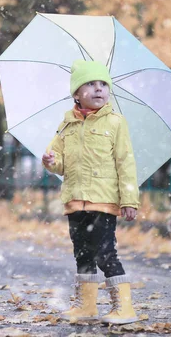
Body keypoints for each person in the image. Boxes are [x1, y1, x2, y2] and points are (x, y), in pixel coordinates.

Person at [41, 59, 140, 325]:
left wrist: (129, 199)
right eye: (91, 84)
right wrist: (51, 162)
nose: (99, 89)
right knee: (82, 253)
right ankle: (86, 306)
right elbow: (59, 161)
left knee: (104, 252)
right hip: (75, 201)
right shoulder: (66, 125)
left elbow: (125, 163)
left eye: (103, 84)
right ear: (76, 93)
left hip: (103, 201)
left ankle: (125, 307)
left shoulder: (116, 123)